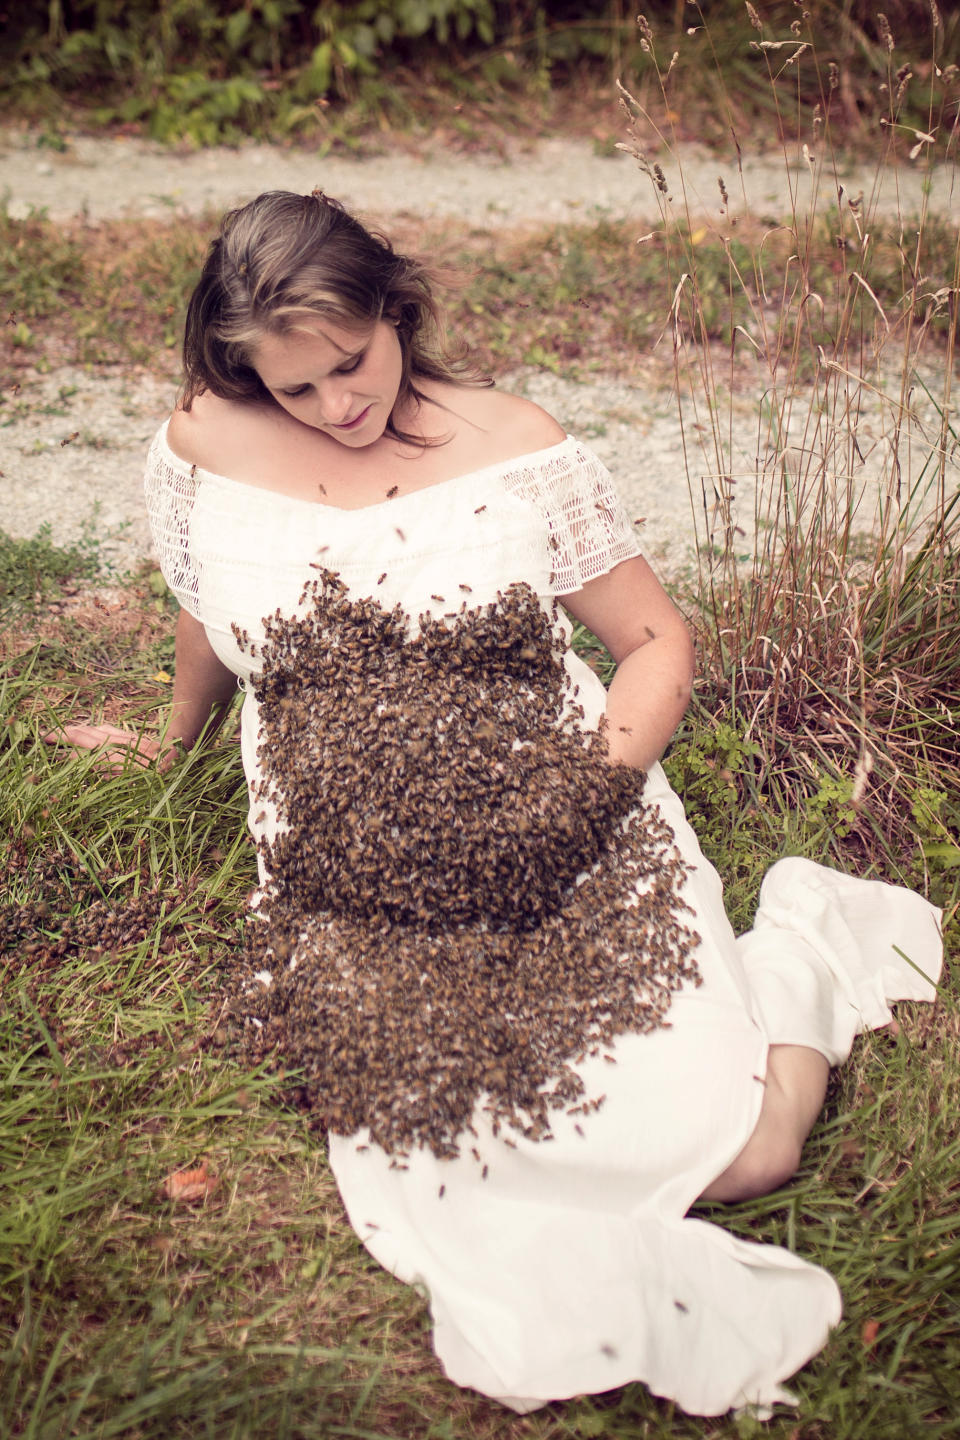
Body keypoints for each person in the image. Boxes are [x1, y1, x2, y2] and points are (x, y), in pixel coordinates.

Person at [53, 190, 943, 1417]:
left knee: (750, 1157)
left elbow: (655, 644)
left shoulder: (515, 441)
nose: (334, 407)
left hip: (559, 797)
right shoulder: (209, 437)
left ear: (393, 309)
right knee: (446, 1154)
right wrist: (170, 748)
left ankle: (790, 969)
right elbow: (213, 609)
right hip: (350, 851)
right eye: (295, 387)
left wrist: (585, 804)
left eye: (350, 365)